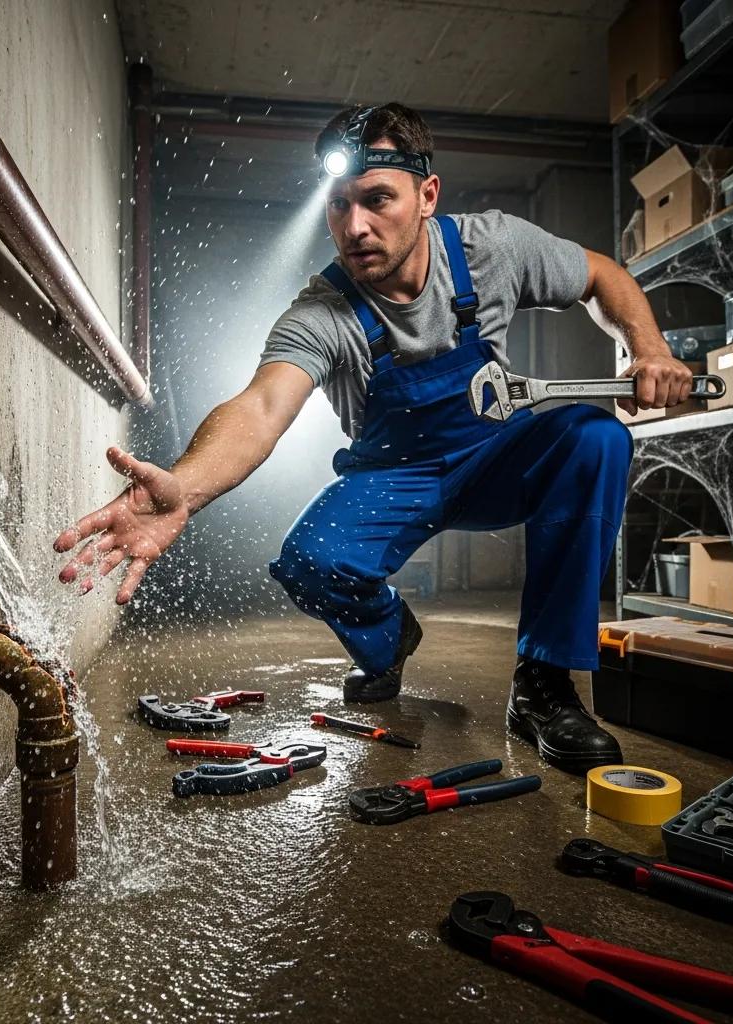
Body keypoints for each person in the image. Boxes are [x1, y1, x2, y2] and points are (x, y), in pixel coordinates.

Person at [53, 103, 693, 774]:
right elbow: (261, 405)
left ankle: (544, 685)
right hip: (395, 476)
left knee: (596, 439)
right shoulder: (322, 312)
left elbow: (600, 274)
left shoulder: (490, 248)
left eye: (377, 199)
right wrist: (185, 485)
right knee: (311, 560)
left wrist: (646, 349)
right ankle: (388, 644)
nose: (354, 227)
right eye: (338, 206)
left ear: (426, 195)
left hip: (496, 457)